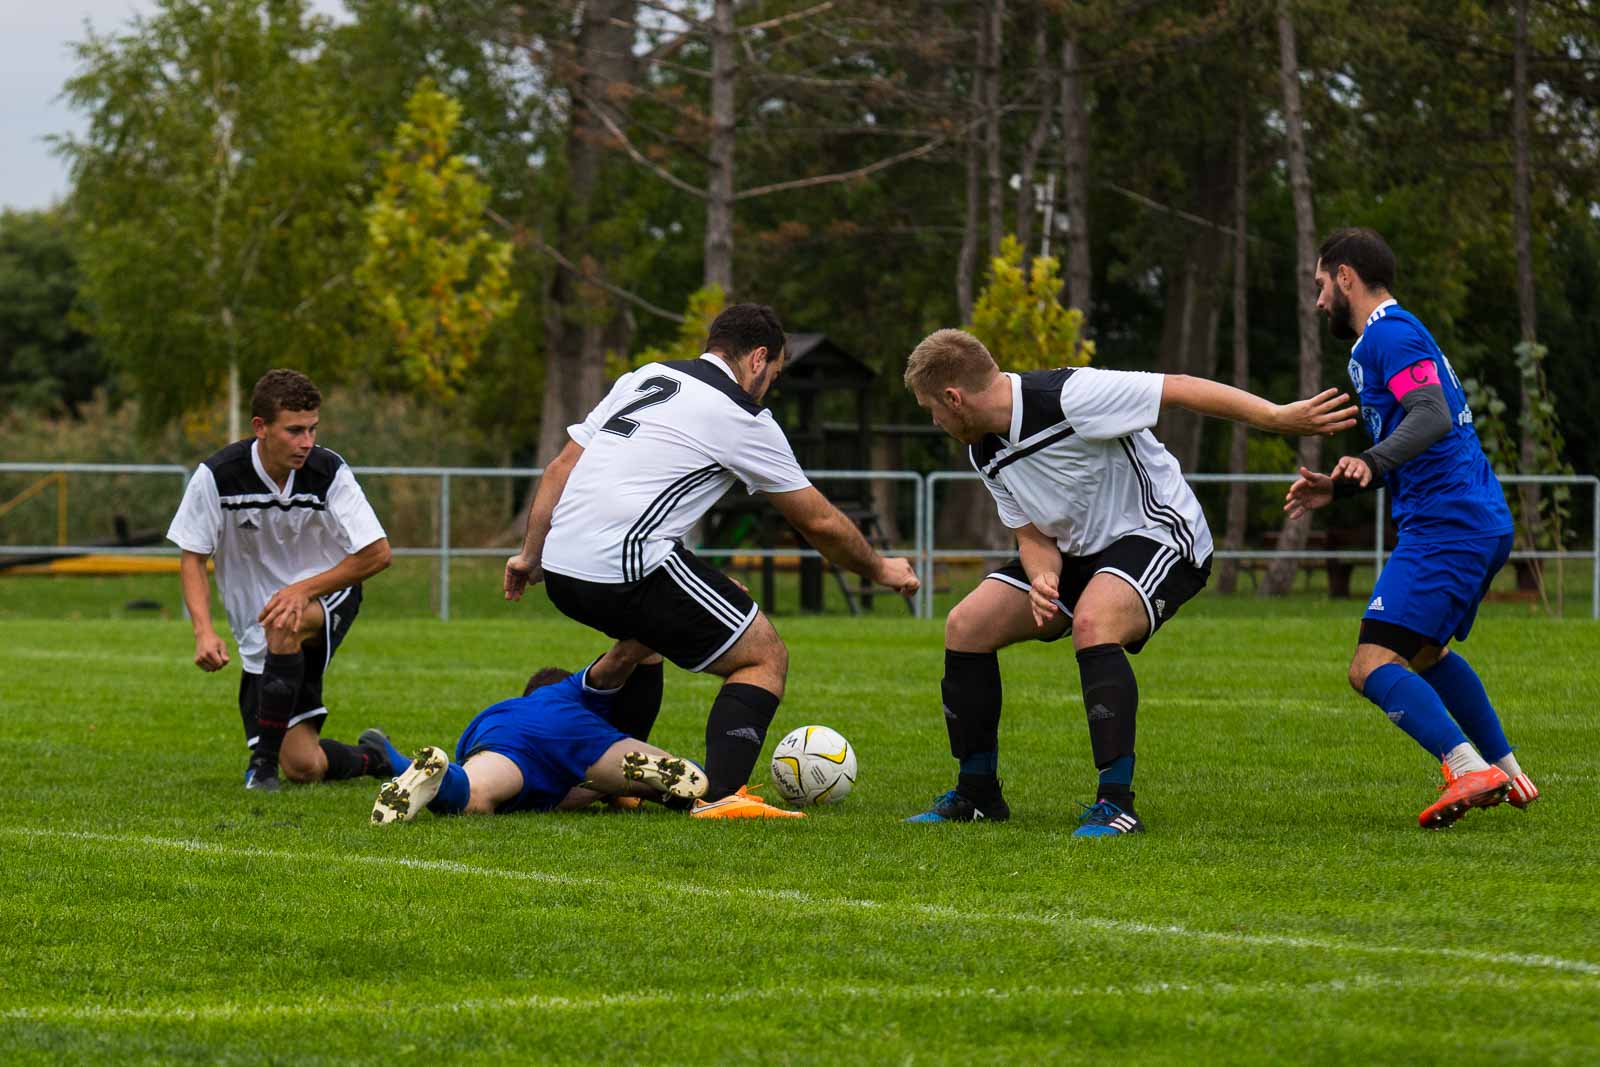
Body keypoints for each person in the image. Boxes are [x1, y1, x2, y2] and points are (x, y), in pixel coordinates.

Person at [902, 328, 1356, 835]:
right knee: (965, 626)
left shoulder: (1070, 395)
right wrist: (1043, 577)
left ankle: (1116, 803)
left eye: (931, 409)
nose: (935, 421)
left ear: (953, 398)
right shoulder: (983, 450)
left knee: (1093, 623)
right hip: (1075, 553)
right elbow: (1031, 535)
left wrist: (1277, 417)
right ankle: (977, 794)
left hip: (1160, 534)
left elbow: (1180, 387)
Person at [504, 303, 920, 819]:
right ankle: (720, 794)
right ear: (758, 358)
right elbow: (818, 522)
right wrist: (881, 569)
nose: (769, 388)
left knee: (651, 639)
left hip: (563, 565)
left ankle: (617, 782)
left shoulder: (646, 377)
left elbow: (560, 467)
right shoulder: (740, 415)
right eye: (774, 375)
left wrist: (530, 555)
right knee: (762, 655)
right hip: (624, 564)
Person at [1284, 227, 1537, 829]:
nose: (1319, 301)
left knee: (1370, 665)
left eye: (1321, 285)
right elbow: (1421, 434)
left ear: (1346, 276)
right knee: (1425, 653)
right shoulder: (1391, 337)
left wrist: (1371, 461)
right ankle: (1507, 771)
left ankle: (1467, 768)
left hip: (1448, 525)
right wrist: (1342, 486)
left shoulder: (1389, 334)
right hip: (1470, 519)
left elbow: (1432, 415)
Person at [168, 369, 394, 792]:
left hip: (328, 593)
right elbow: (193, 556)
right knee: (304, 766)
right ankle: (374, 757)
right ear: (261, 427)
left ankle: (261, 768)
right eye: (294, 431)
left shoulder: (328, 471)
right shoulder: (217, 476)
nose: (307, 442)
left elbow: (378, 553)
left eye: (312, 429)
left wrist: (302, 590)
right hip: (259, 619)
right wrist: (203, 631)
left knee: (284, 620)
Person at [366, 642, 702, 821]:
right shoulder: (569, 692)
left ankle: (419, 769)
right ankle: (656, 781)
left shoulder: (511, 708)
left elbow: (558, 801)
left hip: (500, 735)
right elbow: (619, 658)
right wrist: (666, 624)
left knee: (475, 793)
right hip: (575, 733)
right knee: (680, 777)